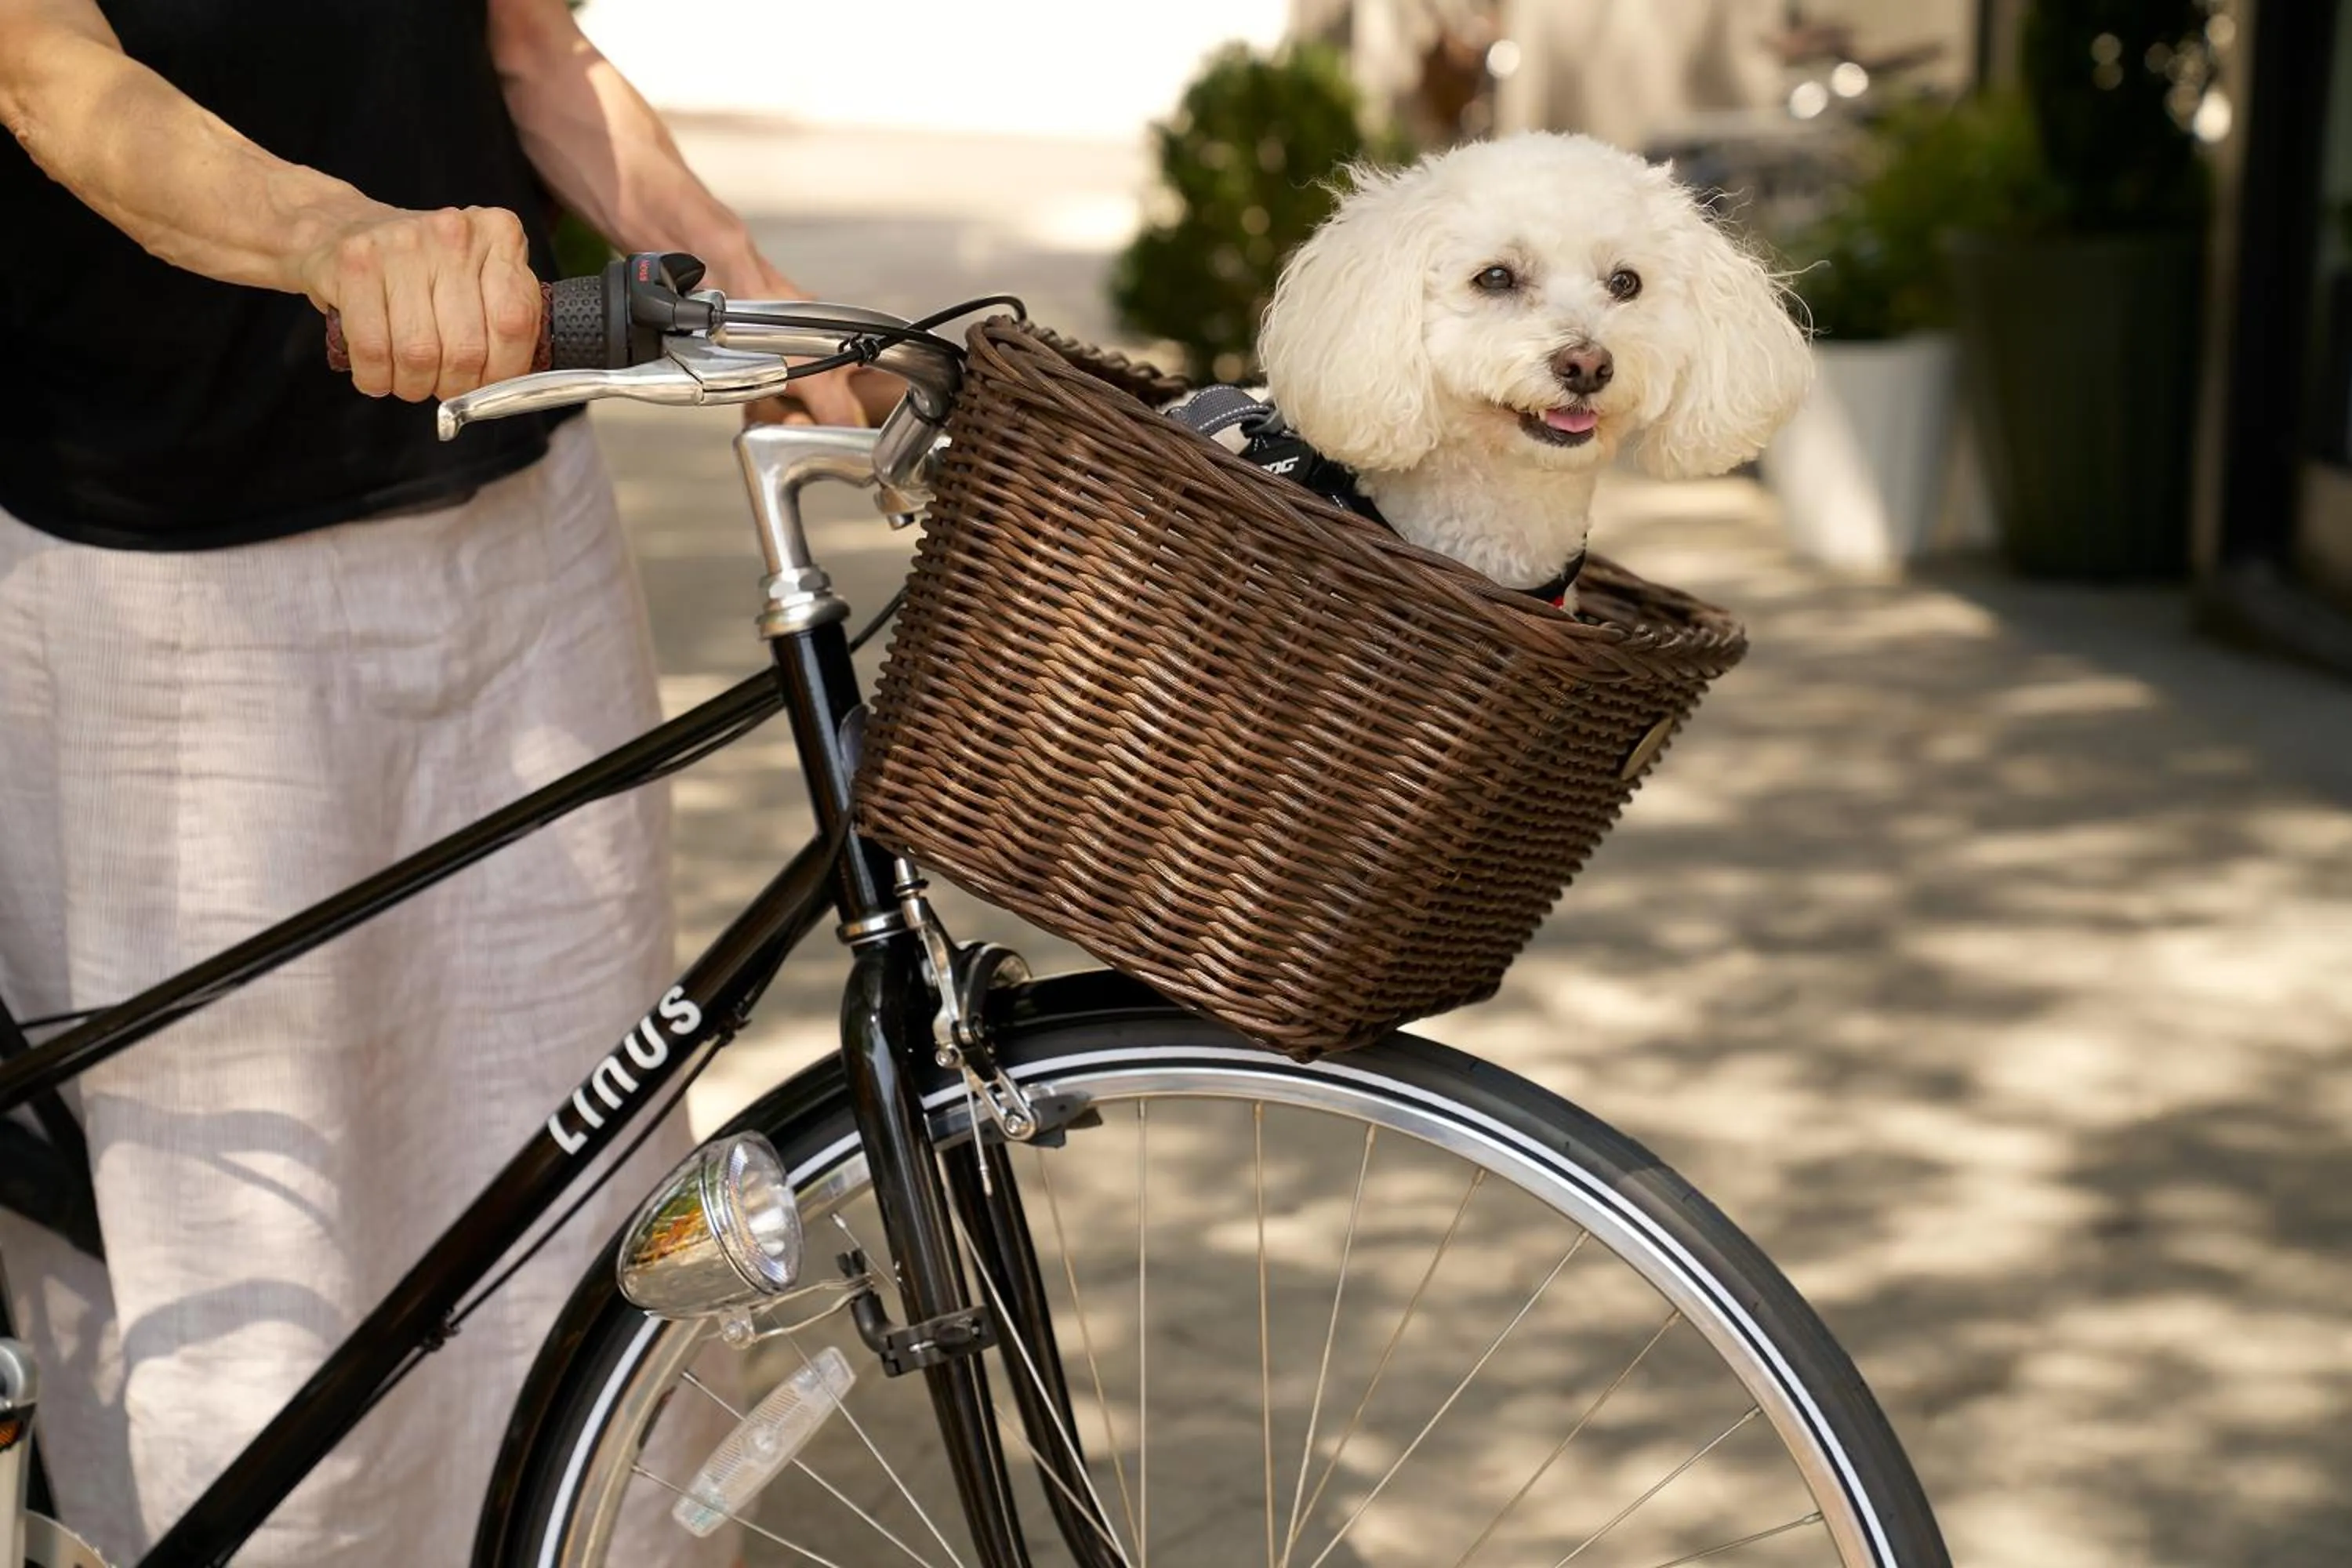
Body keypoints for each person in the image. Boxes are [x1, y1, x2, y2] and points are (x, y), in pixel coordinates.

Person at [0, 0, 857, 1561]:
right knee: (259, 1263)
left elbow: (532, 46)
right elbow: (48, 73)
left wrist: (751, 284)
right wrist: (343, 238)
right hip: (169, 585)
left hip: (520, 543)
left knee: (586, 1178)